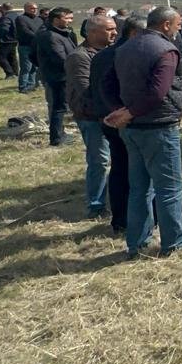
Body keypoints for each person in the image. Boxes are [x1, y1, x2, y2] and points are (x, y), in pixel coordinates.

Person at [104, 7, 182, 258]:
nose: (178, 30)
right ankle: (175, 242)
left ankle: (137, 242)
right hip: (158, 127)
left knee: (140, 188)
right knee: (170, 188)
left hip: (132, 129)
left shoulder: (125, 47)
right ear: (165, 25)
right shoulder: (166, 50)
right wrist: (127, 113)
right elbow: (158, 91)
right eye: (176, 26)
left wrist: (119, 111)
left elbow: (106, 83)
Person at [91, 15, 146, 234]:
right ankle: (137, 219)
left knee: (119, 168)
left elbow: (96, 90)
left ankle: (120, 219)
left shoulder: (102, 55)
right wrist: (123, 113)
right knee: (136, 171)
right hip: (128, 121)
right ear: (135, 34)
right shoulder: (130, 55)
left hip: (109, 120)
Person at [64, 14, 117, 217]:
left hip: (110, 114)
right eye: (109, 29)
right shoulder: (80, 57)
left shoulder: (109, 52)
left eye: (114, 28)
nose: (114, 32)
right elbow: (86, 91)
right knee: (100, 160)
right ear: (92, 32)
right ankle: (96, 205)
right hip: (92, 117)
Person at [35, 7, 78, 147]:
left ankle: (60, 134)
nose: (70, 21)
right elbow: (60, 58)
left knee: (61, 106)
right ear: (56, 19)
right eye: (68, 18)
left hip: (63, 75)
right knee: (58, 107)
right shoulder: (50, 36)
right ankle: (56, 138)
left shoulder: (63, 34)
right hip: (58, 76)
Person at [14, 2, 42, 93]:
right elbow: (25, 31)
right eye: (32, 8)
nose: (34, 10)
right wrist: (38, 37)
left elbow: (43, 29)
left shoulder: (39, 20)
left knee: (34, 67)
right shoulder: (21, 19)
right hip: (25, 46)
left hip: (36, 46)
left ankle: (31, 84)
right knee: (26, 67)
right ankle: (23, 86)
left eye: (36, 8)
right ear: (26, 9)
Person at [0, 3, 18, 79]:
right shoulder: (16, 16)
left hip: (6, 40)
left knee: (1, 58)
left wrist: (0, 36)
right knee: (12, 57)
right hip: (15, 39)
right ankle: (15, 72)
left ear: (4, 8)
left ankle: (10, 73)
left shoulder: (6, 17)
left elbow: (4, 28)